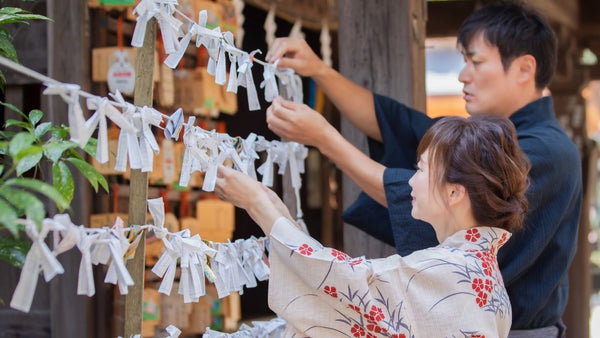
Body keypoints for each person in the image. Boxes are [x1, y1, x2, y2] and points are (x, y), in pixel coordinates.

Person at [263, 1, 582, 336]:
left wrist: (326, 139)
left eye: (475, 61)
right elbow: (399, 125)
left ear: (523, 68)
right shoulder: (499, 140)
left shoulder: (546, 150)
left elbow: (438, 191)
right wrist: (319, 70)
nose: (463, 75)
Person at [215, 115, 530, 337]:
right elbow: (353, 289)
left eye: (420, 169)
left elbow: (347, 283)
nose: (411, 180)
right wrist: (278, 218)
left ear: (454, 192)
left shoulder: (449, 271)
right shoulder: (478, 270)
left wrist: (258, 204)